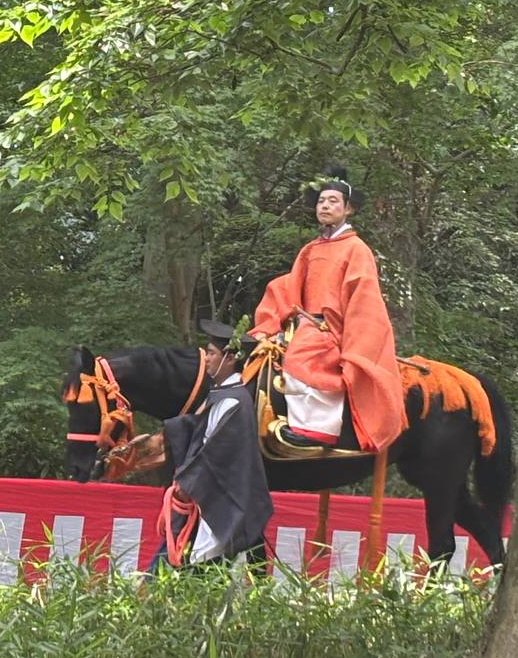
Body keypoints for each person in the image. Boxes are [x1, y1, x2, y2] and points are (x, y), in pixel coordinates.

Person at [251, 170, 404, 453]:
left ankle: (319, 430)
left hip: (334, 328)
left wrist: (350, 339)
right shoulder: (310, 249)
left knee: (303, 355)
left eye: (333, 201)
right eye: (321, 201)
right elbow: (289, 285)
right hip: (305, 322)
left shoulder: (357, 249)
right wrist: (273, 322)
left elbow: (364, 298)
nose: (325, 206)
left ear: (348, 208)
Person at [150, 319, 272, 570]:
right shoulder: (224, 396)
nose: (206, 359)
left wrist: (186, 482)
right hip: (208, 495)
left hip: (220, 501)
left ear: (229, 358)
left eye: (212, 354)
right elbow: (196, 430)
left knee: (200, 569)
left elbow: (215, 454)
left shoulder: (234, 402)